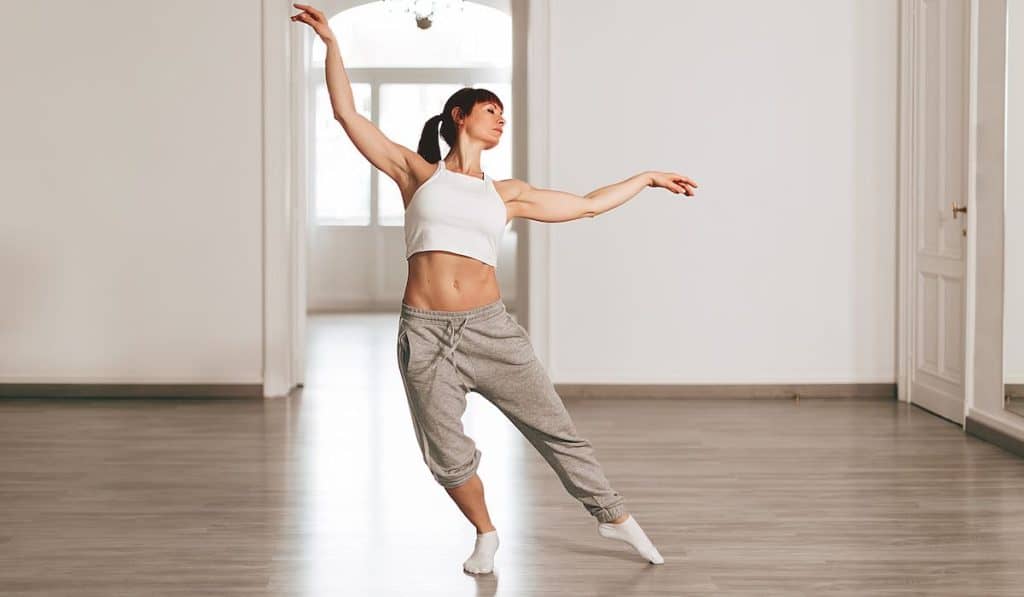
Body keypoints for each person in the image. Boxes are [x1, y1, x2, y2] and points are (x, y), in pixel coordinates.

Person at [292, 3, 698, 575]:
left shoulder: (506, 193)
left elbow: (585, 206)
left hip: (490, 328)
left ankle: (611, 514)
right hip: (425, 333)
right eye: (491, 111)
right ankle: (485, 534)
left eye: (503, 114)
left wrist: (648, 178)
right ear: (459, 116)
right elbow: (345, 113)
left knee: (556, 429)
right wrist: (331, 42)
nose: (500, 120)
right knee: (446, 454)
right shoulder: (417, 174)